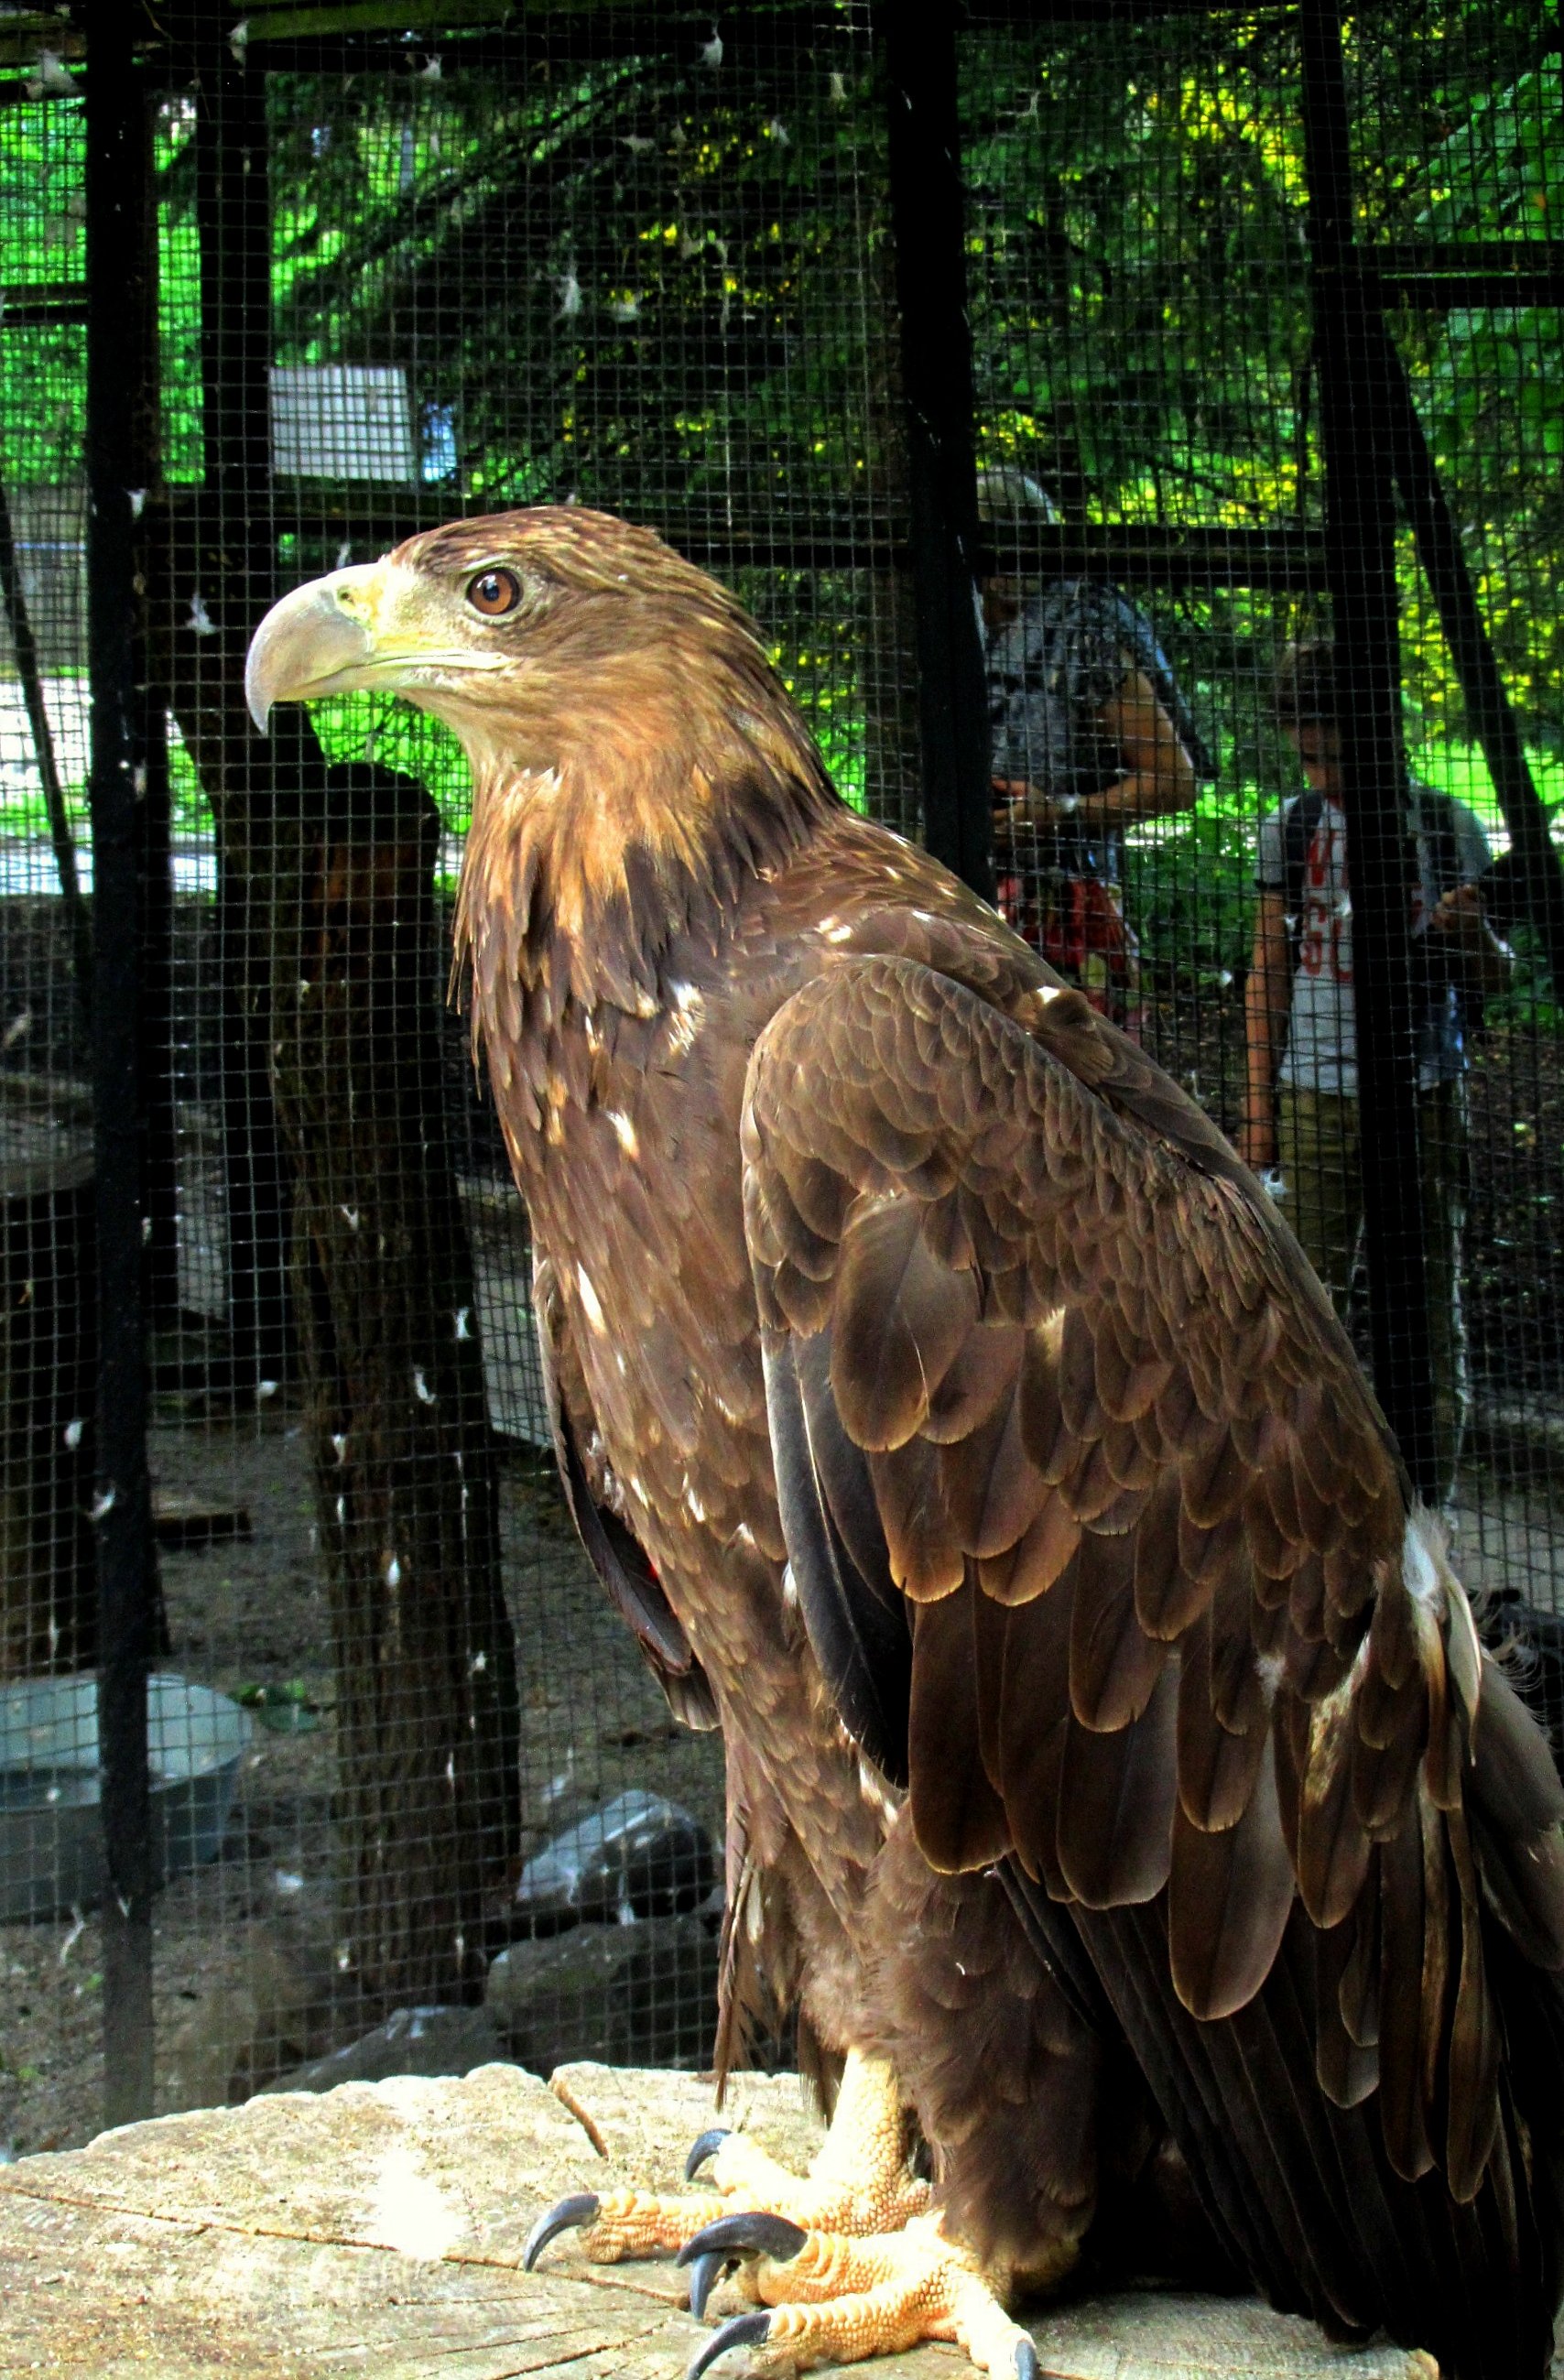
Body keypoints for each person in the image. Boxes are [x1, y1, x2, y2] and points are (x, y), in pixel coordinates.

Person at [1241, 640, 1512, 1505]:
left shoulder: (1441, 826)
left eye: (1332, 752)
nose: (1318, 771)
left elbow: (1496, 976)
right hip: (1313, 1096)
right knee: (1299, 1313)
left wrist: (1467, 932)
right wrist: (1258, 1111)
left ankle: (1426, 1510)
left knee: (1429, 1317)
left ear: (1375, 733)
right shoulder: (1291, 827)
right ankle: (1305, 1508)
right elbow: (1267, 969)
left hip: (1424, 1095)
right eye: (1304, 753)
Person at [980, 469, 1211, 1033]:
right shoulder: (984, 627)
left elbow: (1176, 780)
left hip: (1070, 903)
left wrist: (1059, 814)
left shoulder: (1082, 628)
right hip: (987, 901)